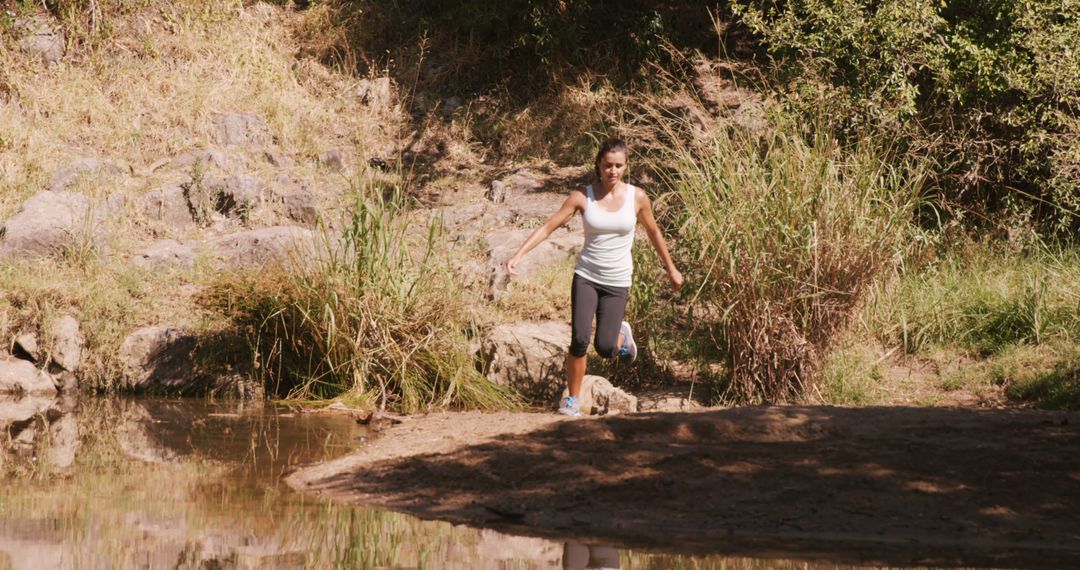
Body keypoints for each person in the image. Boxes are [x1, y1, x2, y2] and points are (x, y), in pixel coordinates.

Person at [506, 138, 683, 416]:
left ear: (626, 167)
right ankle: (573, 400)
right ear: (599, 165)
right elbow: (548, 227)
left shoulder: (637, 198)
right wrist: (518, 254)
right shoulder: (582, 196)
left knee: (605, 348)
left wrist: (671, 268)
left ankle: (621, 337)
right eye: (608, 165)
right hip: (586, 275)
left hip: (617, 281)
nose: (613, 171)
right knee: (578, 340)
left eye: (618, 166)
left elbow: (654, 232)